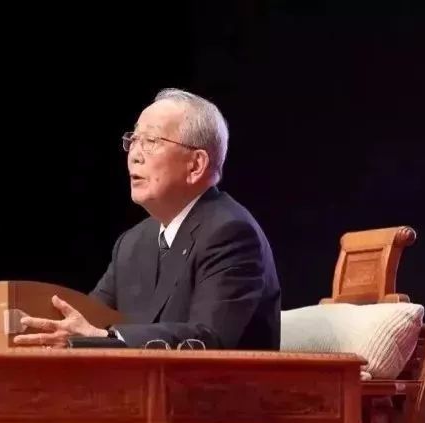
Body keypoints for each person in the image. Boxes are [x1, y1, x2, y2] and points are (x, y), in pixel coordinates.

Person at [14, 88, 281, 350]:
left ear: (196, 165)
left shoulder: (230, 233)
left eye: (151, 141)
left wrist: (105, 338)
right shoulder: (132, 243)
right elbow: (87, 319)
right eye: (133, 140)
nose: (134, 155)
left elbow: (209, 337)